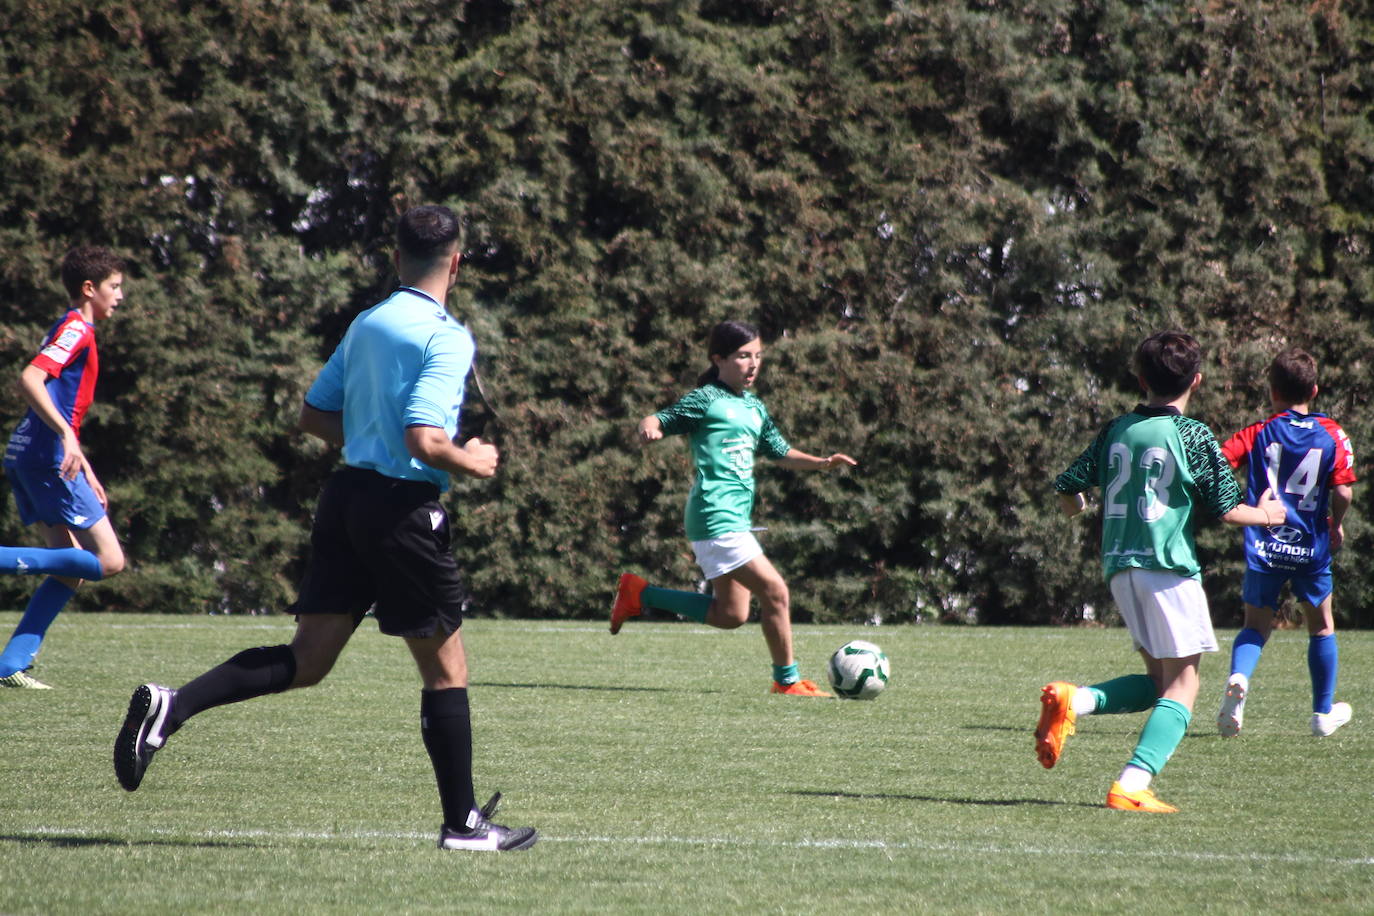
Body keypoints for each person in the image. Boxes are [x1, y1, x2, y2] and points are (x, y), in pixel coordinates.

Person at [113, 205, 537, 852]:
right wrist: (472, 459)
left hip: (345, 498)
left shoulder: (368, 322)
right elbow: (425, 439)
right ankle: (464, 825)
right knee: (446, 671)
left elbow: (313, 416)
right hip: (400, 510)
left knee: (308, 660)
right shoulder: (446, 336)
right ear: (456, 262)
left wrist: (373, 439)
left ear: (396, 259)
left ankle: (175, 706)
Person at [1036, 330, 1286, 813]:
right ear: (1197, 379)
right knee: (1185, 685)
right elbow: (1227, 507)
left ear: (1139, 377)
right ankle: (1132, 783)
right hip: (1167, 567)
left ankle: (1075, 701)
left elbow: (1067, 486)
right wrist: (1269, 515)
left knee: (1157, 683)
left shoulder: (1116, 429)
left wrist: (1080, 505)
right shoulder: (1191, 434)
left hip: (1120, 568)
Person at [610, 319, 858, 697]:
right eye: (743, 356)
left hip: (734, 520)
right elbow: (659, 417)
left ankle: (640, 593)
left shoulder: (754, 407)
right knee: (775, 591)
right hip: (714, 514)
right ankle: (787, 682)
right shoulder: (706, 398)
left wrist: (823, 463)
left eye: (758, 356)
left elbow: (780, 451)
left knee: (731, 615)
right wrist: (650, 428)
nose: (753, 364)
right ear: (719, 359)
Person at [0, 246, 128, 689]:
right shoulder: (77, 329)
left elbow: (58, 406)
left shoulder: (68, 327)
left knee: (67, 571)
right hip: (45, 457)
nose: (120, 296)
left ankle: (9, 665)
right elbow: (30, 378)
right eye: (114, 286)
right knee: (109, 560)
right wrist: (68, 439)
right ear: (89, 289)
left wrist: (84, 462)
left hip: (30, 453)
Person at [1215, 347, 1356, 738]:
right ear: (1315, 389)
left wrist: (1241, 505)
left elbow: (1218, 462)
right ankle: (1322, 714)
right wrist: (1336, 524)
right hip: (1310, 546)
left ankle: (1239, 679)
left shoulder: (1258, 431)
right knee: (1322, 627)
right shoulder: (1333, 433)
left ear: (1272, 390)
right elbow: (1343, 492)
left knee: (1255, 626)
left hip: (1265, 542)